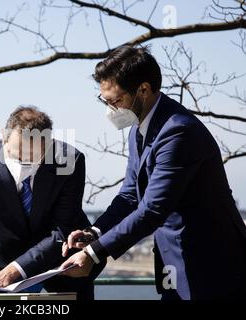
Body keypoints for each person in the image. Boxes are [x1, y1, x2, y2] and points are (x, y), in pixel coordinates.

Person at [61, 46, 246, 300]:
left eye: (115, 101)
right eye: (105, 101)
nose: (111, 110)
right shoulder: (138, 128)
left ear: (144, 90)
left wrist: (93, 253)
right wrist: (95, 232)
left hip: (211, 265)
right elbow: (129, 195)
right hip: (175, 264)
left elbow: (152, 210)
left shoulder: (178, 132)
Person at [0, 106, 105, 300]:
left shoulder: (70, 160)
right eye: (18, 155)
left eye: (34, 158)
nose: (25, 163)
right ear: (4, 138)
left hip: (61, 256)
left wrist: (15, 270)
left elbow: (63, 228)